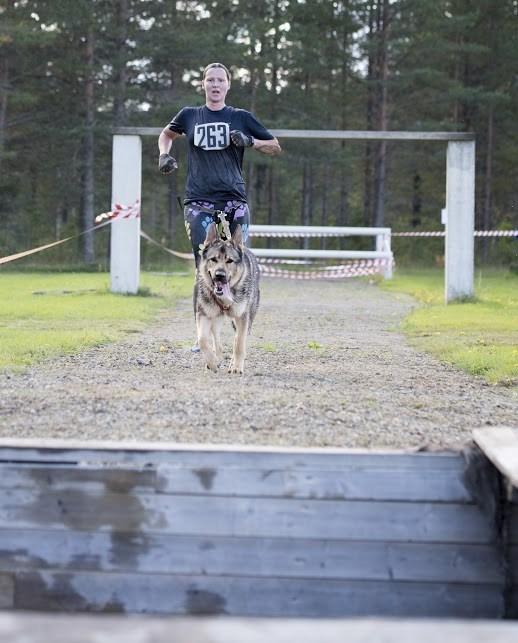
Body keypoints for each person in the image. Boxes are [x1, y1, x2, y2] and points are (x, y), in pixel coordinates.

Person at [157, 62, 281, 350]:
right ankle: (204, 338)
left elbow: (275, 145)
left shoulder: (240, 117)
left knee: (239, 261)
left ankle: (240, 324)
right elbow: (166, 135)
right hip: (198, 200)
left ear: (228, 85)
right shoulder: (189, 115)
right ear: (203, 84)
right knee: (205, 265)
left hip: (234, 200)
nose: (215, 85)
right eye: (210, 80)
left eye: (220, 80)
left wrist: (249, 141)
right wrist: (164, 155)